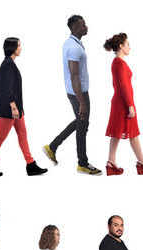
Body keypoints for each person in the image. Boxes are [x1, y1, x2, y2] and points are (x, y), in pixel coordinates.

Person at [42, 15, 101, 175]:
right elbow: (74, 76)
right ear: (75, 28)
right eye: (83, 25)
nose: (86, 27)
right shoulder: (74, 47)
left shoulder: (72, 43)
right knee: (83, 126)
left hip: (77, 91)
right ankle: (82, 163)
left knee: (80, 121)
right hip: (78, 93)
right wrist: (81, 102)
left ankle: (52, 147)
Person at [0, 37, 47, 177]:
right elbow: (7, 89)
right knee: (1, 136)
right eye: (18, 46)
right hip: (9, 109)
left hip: (17, 109)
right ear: (12, 48)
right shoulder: (8, 64)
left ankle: (30, 165)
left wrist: (17, 107)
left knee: (23, 135)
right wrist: (13, 107)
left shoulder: (10, 63)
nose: (21, 48)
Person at [102, 33, 143, 176]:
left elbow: (118, 85)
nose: (130, 47)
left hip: (118, 101)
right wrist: (130, 105)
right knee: (133, 133)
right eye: (128, 44)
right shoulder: (121, 63)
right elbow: (124, 86)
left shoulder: (115, 62)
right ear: (121, 46)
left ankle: (111, 163)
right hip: (124, 103)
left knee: (117, 133)